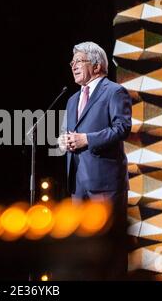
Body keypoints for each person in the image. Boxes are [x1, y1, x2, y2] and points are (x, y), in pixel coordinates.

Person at [58, 41, 132, 279]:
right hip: (78, 185)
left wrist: (87, 140)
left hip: (106, 184)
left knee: (109, 248)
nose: (73, 66)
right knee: (81, 249)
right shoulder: (71, 100)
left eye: (78, 61)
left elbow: (122, 128)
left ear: (97, 64)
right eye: (72, 62)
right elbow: (73, 135)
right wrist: (65, 142)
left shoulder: (114, 92)